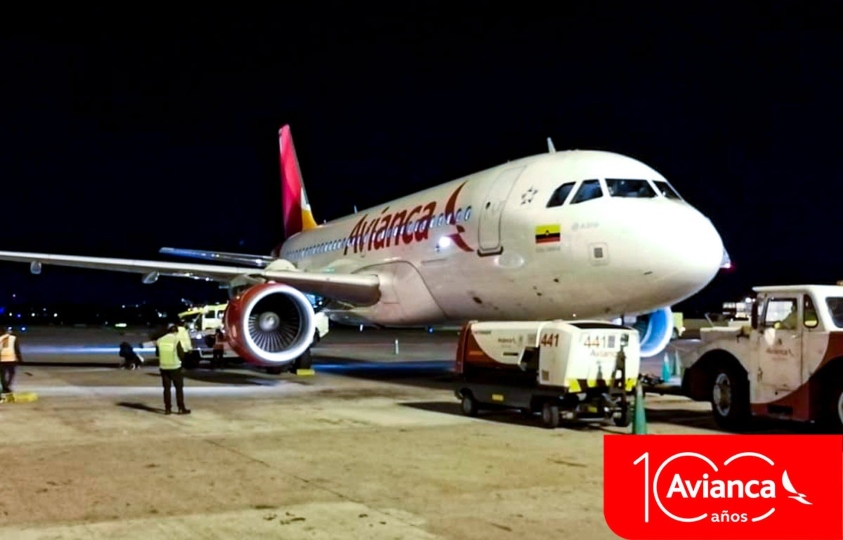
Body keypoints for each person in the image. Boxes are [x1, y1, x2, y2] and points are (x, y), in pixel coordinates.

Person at [156, 325, 191, 415]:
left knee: (166, 389)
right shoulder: (176, 340)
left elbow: (157, 353)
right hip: (175, 367)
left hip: (164, 367)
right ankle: (180, 408)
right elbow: (181, 354)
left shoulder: (160, 340)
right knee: (179, 389)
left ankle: (167, 409)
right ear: (176, 332)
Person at [0, 327, 22, 394]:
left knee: (2, 374)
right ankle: (7, 385)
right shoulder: (13, 338)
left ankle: (5, 387)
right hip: (11, 358)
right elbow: (16, 349)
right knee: (11, 373)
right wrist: (19, 358)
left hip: (1, 358)